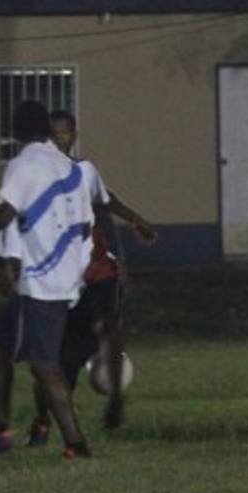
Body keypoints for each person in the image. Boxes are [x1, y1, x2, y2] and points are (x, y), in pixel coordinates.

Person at [0, 100, 93, 460]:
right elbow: (81, 222)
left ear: (15, 132)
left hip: (42, 282)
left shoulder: (25, 164)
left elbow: (4, 215)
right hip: (61, 275)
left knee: (45, 364)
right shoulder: (67, 166)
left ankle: (77, 445)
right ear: (46, 128)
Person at [24, 110, 158, 441]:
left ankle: (116, 401)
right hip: (60, 281)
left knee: (108, 327)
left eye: (64, 134)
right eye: (51, 135)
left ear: (73, 136)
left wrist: (137, 220)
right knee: (59, 363)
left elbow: (106, 200)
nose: (58, 140)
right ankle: (42, 420)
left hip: (98, 269)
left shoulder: (85, 171)